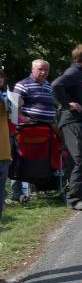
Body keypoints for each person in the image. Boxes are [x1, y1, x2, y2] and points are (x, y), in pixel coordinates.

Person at [52, 45, 82, 210]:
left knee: (77, 158)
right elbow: (56, 85)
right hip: (72, 120)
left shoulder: (77, 73)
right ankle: (75, 199)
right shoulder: (74, 72)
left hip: (75, 120)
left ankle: (79, 194)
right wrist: (67, 103)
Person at [9, 59, 57, 201]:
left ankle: (42, 188)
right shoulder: (23, 84)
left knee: (41, 159)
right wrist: (23, 118)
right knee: (21, 158)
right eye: (40, 69)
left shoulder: (48, 86)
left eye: (46, 70)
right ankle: (17, 193)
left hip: (46, 130)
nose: (43, 72)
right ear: (32, 69)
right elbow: (13, 106)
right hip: (28, 130)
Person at [0, 68, 13, 218]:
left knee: (1, 185)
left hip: (4, 148)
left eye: (1, 76)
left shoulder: (6, 96)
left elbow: (14, 119)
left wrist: (16, 105)